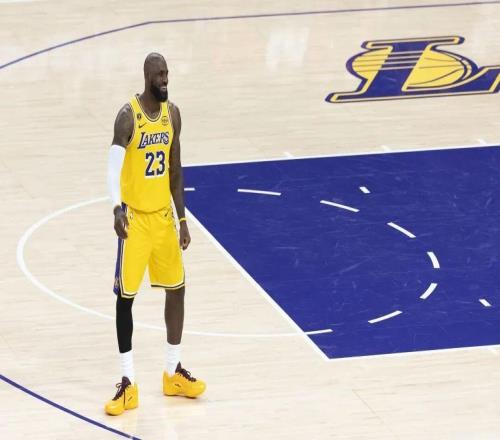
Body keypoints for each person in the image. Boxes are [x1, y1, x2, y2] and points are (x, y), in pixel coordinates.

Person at [104, 52, 206, 416]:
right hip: (135, 220)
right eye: (160, 75)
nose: (165, 80)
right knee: (125, 298)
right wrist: (117, 209)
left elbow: (175, 169)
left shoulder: (172, 114)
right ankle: (128, 383)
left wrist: (183, 219)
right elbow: (112, 168)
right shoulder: (127, 116)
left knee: (177, 289)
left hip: (163, 218)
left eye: (167, 74)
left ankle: (172, 372)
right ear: (148, 77)